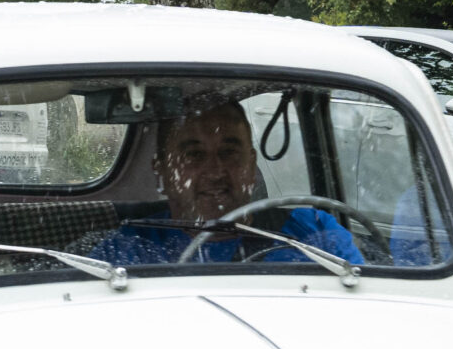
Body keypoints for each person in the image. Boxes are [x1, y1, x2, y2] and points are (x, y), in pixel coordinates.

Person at [80, 98, 364, 267]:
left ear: (251, 166)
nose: (215, 171)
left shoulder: (314, 233)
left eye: (229, 152)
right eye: (194, 155)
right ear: (161, 172)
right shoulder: (127, 252)